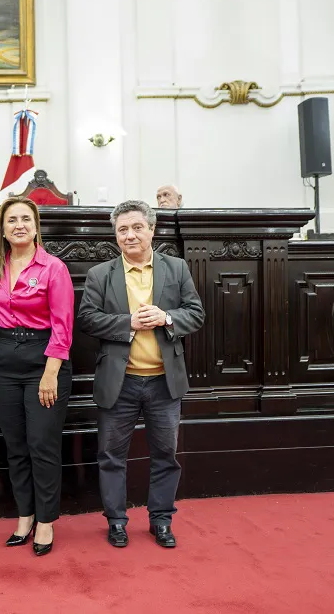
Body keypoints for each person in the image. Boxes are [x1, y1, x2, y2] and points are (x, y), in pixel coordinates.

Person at [77, 199, 204, 549]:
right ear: (115, 235)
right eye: (122, 230)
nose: (129, 235)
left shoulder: (176, 268)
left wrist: (166, 318)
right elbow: (87, 318)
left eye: (136, 227)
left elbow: (196, 313)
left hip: (165, 382)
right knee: (111, 457)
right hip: (120, 382)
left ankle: (161, 520)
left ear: (152, 229)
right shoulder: (101, 274)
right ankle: (116, 521)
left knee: (166, 454)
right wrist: (126, 323)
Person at [0, 197, 73, 556]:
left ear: (36, 226)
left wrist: (50, 374)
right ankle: (25, 514)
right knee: (16, 446)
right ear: (2, 229)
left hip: (43, 363)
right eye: (11, 220)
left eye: (25, 219)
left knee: (42, 445)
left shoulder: (53, 268)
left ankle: (46, 521)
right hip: (4, 363)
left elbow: (63, 326)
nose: (19, 225)